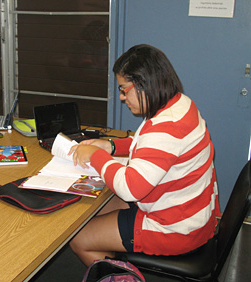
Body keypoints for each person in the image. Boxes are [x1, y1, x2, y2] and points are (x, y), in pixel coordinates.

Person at [68, 44, 220, 266]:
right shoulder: (181, 105)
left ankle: (119, 277)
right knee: (92, 209)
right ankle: (116, 256)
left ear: (142, 84)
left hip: (175, 229)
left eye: (124, 89)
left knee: (79, 238)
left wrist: (95, 156)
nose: (122, 97)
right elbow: (153, 148)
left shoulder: (165, 127)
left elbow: (130, 188)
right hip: (190, 214)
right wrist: (110, 146)